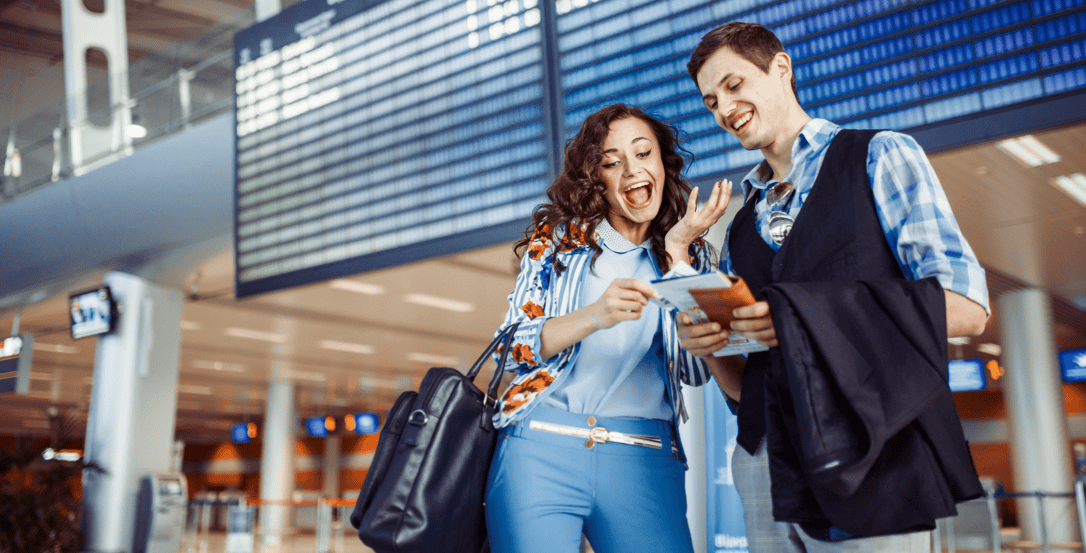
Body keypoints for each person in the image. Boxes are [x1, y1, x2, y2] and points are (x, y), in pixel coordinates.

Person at [678, 22, 991, 552]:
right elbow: (743, 386)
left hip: (873, 455)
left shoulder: (879, 156)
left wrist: (796, 315)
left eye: (734, 86)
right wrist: (710, 350)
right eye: (711, 102)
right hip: (764, 464)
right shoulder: (739, 223)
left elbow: (965, 307)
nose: (724, 109)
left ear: (781, 69)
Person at [485, 104, 731, 553]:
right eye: (611, 162)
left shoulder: (693, 258)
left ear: (662, 163)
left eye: (643, 154)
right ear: (595, 178)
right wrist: (595, 315)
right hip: (540, 449)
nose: (632, 171)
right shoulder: (560, 240)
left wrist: (678, 259)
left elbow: (698, 372)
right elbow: (512, 347)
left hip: (644, 457)